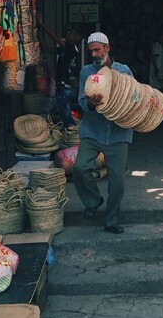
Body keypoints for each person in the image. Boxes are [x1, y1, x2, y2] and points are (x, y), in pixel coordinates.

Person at [72, 31, 133, 234]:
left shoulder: (124, 71)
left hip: (118, 132)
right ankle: (94, 200)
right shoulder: (86, 72)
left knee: (118, 182)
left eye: (98, 50)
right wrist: (90, 103)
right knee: (80, 168)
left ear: (107, 48)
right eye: (91, 51)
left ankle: (111, 220)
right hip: (93, 130)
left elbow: (136, 96)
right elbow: (81, 102)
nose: (95, 54)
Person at [37, 15, 81, 129]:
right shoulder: (65, 49)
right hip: (61, 85)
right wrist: (39, 35)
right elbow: (47, 49)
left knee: (65, 112)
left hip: (64, 85)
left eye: (71, 33)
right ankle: (70, 133)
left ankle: (72, 132)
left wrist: (42, 25)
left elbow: (55, 38)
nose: (68, 34)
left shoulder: (72, 49)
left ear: (74, 38)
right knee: (63, 112)